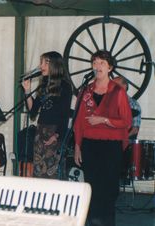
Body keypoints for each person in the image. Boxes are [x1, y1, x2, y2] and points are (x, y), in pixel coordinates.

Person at [74, 50, 132, 226]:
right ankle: (92, 222)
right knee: (91, 187)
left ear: (110, 68)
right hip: (90, 145)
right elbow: (78, 122)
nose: (97, 66)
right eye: (95, 63)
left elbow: (126, 121)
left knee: (108, 190)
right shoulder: (86, 91)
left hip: (110, 146)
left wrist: (104, 120)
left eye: (102, 63)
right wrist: (77, 146)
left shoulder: (118, 91)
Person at [21, 51, 72, 179]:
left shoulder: (65, 86)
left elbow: (65, 114)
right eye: (41, 62)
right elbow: (33, 111)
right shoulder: (44, 85)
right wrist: (27, 91)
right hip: (41, 131)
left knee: (51, 171)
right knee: (38, 170)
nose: (41, 66)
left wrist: (56, 135)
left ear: (55, 65)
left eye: (45, 62)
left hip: (55, 132)